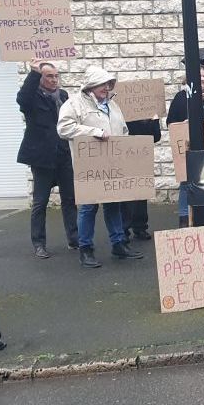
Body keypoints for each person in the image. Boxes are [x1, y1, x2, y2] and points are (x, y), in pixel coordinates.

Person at [57, 66, 143, 268]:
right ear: (91, 85)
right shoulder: (74, 104)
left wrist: (126, 148)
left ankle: (118, 243)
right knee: (88, 207)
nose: (106, 87)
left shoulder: (112, 105)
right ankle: (85, 248)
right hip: (90, 166)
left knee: (113, 203)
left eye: (108, 83)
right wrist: (93, 131)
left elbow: (123, 129)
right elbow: (63, 128)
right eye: (103, 84)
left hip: (112, 165)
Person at [17, 58, 78, 258]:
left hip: (63, 156)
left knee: (70, 199)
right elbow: (22, 99)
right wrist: (33, 73)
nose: (54, 80)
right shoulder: (32, 97)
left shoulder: (64, 96)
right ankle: (39, 244)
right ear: (41, 78)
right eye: (49, 76)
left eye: (56, 76)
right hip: (42, 158)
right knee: (40, 202)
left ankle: (74, 238)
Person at [168, 66, 204, 226]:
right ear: (189, 77)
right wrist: (183, 124)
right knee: (186, 184)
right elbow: (171, 122)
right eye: (198, 75)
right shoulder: (181, 97)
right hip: (188, 148)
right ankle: (184, 219)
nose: (201, 78)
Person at [121, 117, 161, 242]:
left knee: (141, 193)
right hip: (124, 154)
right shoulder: (121, 112)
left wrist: (154, 120)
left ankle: (140, 227)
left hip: (142, 155)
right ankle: (123, 228)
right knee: (126, 194)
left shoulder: (148, 114)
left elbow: (156, 136)